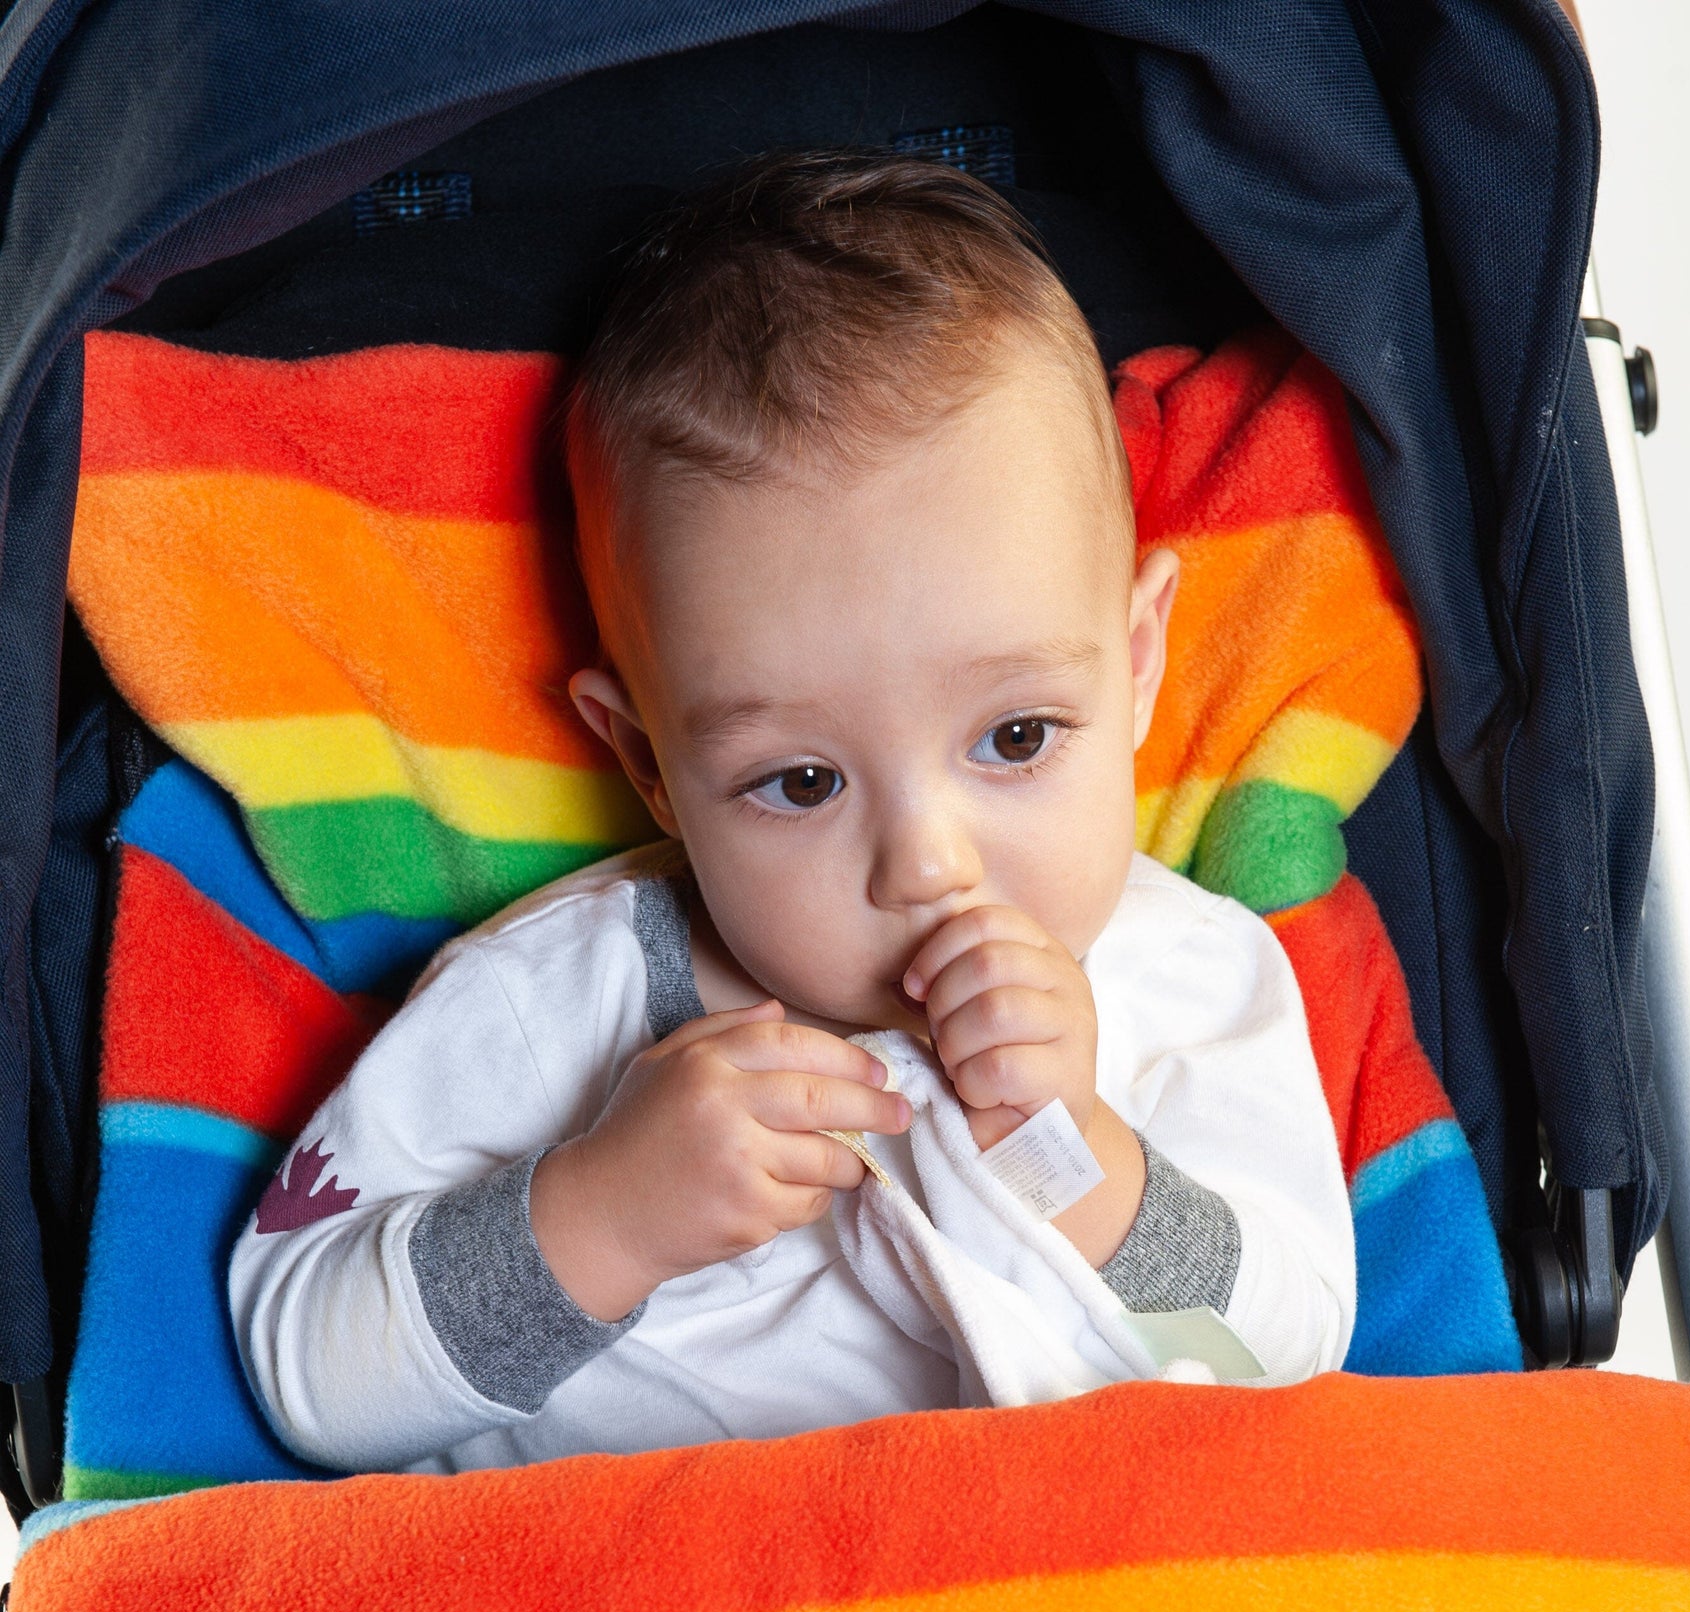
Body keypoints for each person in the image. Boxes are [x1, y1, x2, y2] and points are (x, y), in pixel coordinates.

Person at [228, 153, 1353, 1475]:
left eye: (1016, 738)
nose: (927, 863)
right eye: (803, 782)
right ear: (649, 762)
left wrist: (1077, 1160)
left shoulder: (1193, 981)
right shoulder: (557, 1006)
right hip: (655, 1593)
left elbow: (1293, 1360)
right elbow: (304, 1367)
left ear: (1139, 660)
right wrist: (601, 1218)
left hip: (1065, 1587)